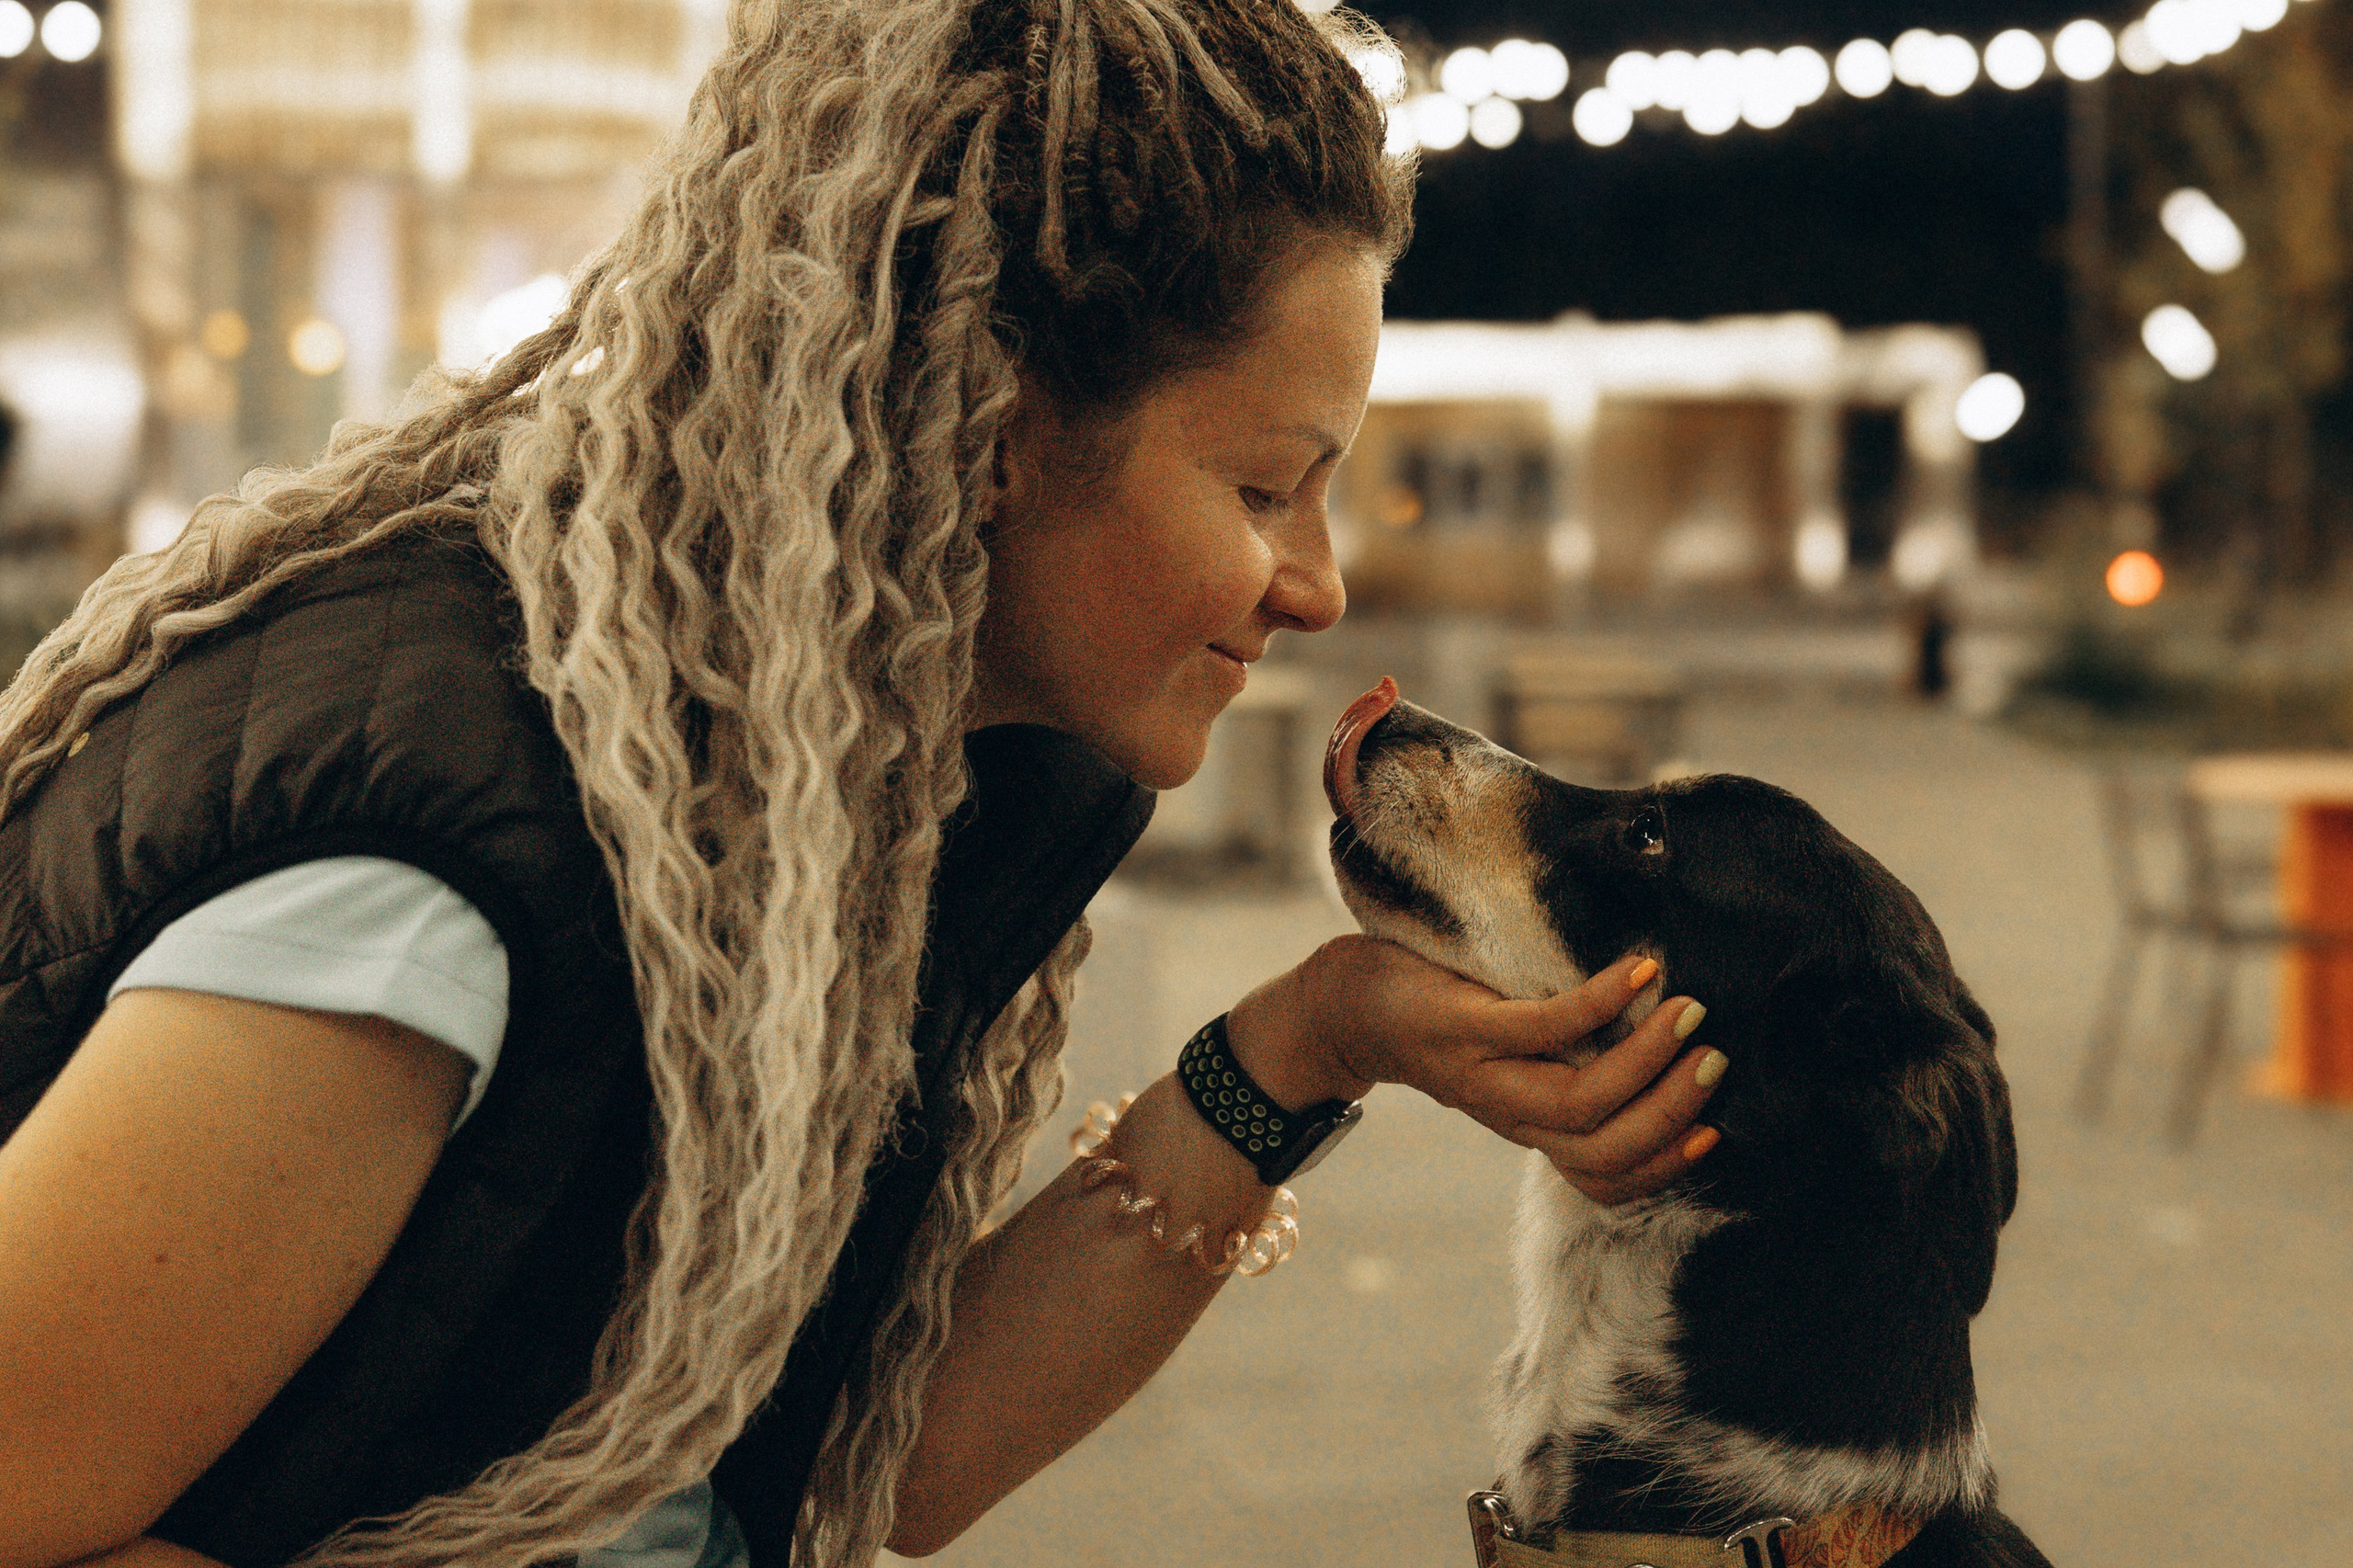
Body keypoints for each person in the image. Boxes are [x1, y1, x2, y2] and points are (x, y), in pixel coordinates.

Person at [0, 2, 1724, 1565]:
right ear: (992, 427)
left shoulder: (904, 789)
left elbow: (883, 1455)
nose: (1321, 584)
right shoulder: (431, 871)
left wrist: (1312, 1044)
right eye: (1268, 486)